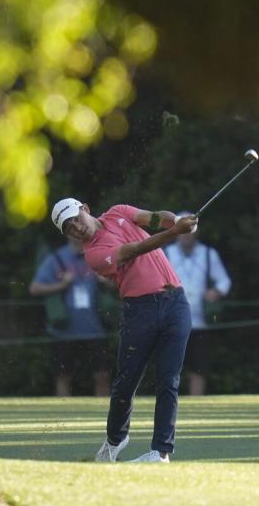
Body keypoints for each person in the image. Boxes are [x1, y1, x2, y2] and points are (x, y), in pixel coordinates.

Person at [51, 196, 198, 464]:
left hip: (176, 303)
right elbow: (132, 250)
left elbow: (154, 217)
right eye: (68, 228)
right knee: (126, 382)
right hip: (139, 310)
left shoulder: (119, 212)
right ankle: (115, 439)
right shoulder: (93, 255)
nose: (76, 228)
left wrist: (175, 220)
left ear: (85, 208)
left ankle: (161, 451)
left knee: (169, 380)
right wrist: (174, 232)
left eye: (76, 219)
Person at [29, 236, 113, 397]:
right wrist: (62, 285)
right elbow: (35, 288)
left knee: (102, 375)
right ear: (67, 233)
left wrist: (104, 281)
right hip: (63, 331)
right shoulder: (57, 258)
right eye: (73, 230)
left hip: (95, 329)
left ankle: (105, 417)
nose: (79, 234)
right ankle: (64, 416)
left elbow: (116, 285)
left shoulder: (97, 256)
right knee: (63, 376)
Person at [163, 213, 232, 396]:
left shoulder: (208, 254)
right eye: (183, 230)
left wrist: (215, 292)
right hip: (173, 322)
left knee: (199, 369)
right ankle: (171, 403)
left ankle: (196, 403)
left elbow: (224, 282)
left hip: (200, 322)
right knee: (171, 368)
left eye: (189, 231)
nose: (186, 235)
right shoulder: (167, 254)